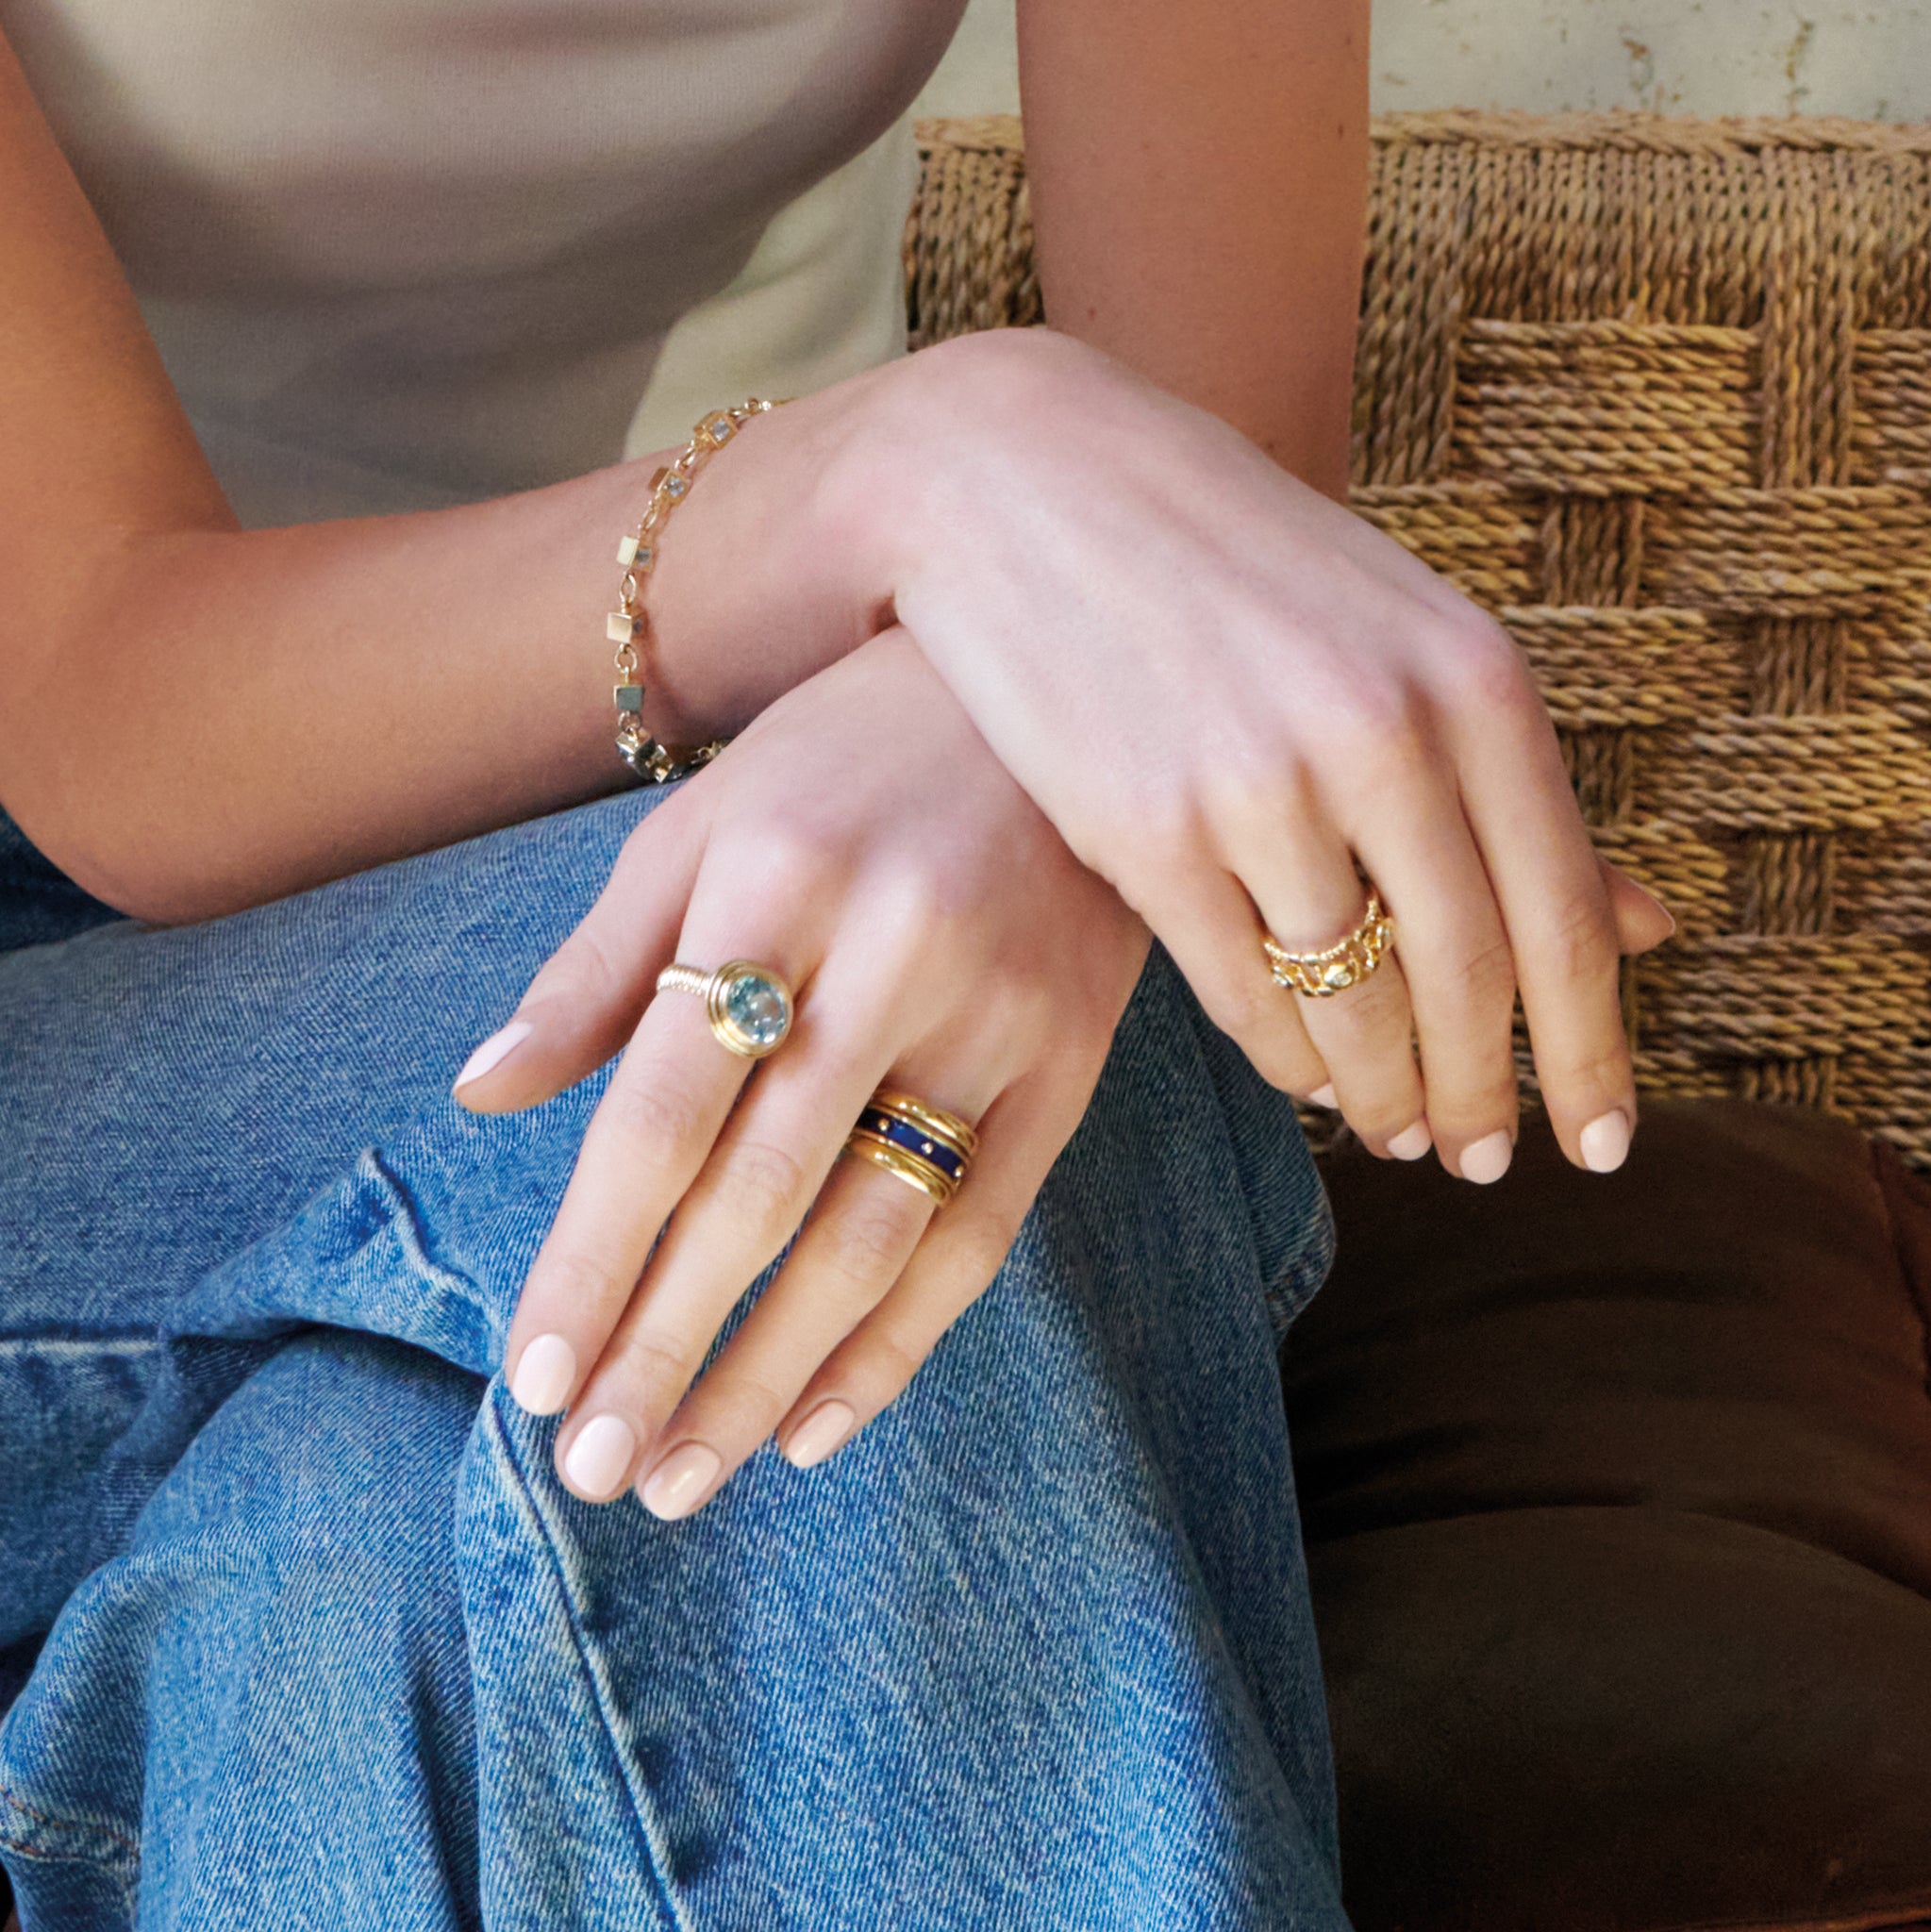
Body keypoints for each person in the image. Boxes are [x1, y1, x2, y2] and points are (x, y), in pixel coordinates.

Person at [0, 0, 1673, 1924]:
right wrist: (906, 487)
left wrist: (972, 712)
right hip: (60, 991)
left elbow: (1207, 499)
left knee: (347, 1562)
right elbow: (106, 696)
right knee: (825, 1037)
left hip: (761, 742)